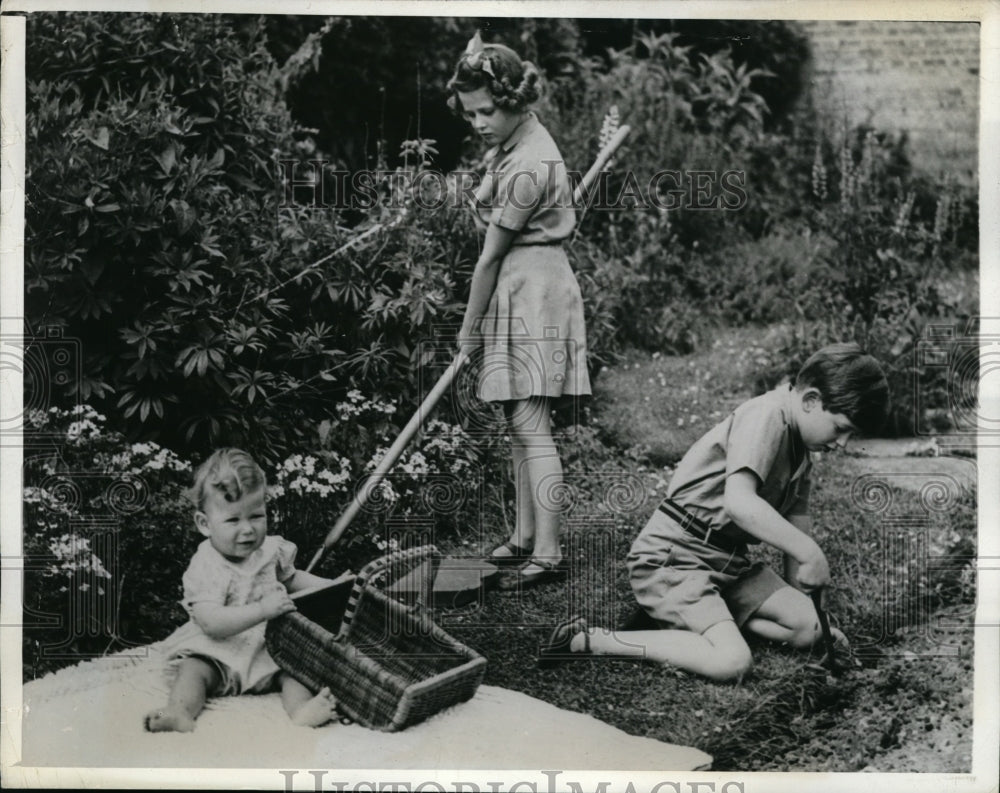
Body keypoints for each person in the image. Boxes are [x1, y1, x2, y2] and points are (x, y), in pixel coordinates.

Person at [540, 344, 890, 679]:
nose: (842, 443)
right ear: (811, 400)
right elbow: (739, 503)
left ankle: (701, 620)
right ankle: (590, 640)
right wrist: (810, 552)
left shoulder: (803, 452)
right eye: (841, 429)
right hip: (675, 557)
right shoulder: (767, 415)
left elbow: (796, 527)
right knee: (732, 662)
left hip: (728, 564)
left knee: (809, 628)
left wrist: (814, 611)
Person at [448, 32, 590, 589]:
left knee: (533, 424)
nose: (478, 123)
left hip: (536, 289)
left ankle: (548, 554)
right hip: (523, 282)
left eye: (486, 111)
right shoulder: (515, 143)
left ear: (513, 101)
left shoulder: (530, 162)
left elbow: (488, 259)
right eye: (470, 113)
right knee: (518, 420)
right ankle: (524, 537)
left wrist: (468, 330)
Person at [145, 448, 342, 732]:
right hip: (218, 653)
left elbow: (291, 578)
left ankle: (301, 710)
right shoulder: (207, 565)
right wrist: (261, 610)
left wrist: (332, 586)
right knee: (193, 670)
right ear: (204, 524)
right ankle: (180, 711)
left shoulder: (270, 550)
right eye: (233, 520)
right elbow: (211, 622)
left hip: (268, 651)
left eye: (256, 516)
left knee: (297, 670)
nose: (248, 529)